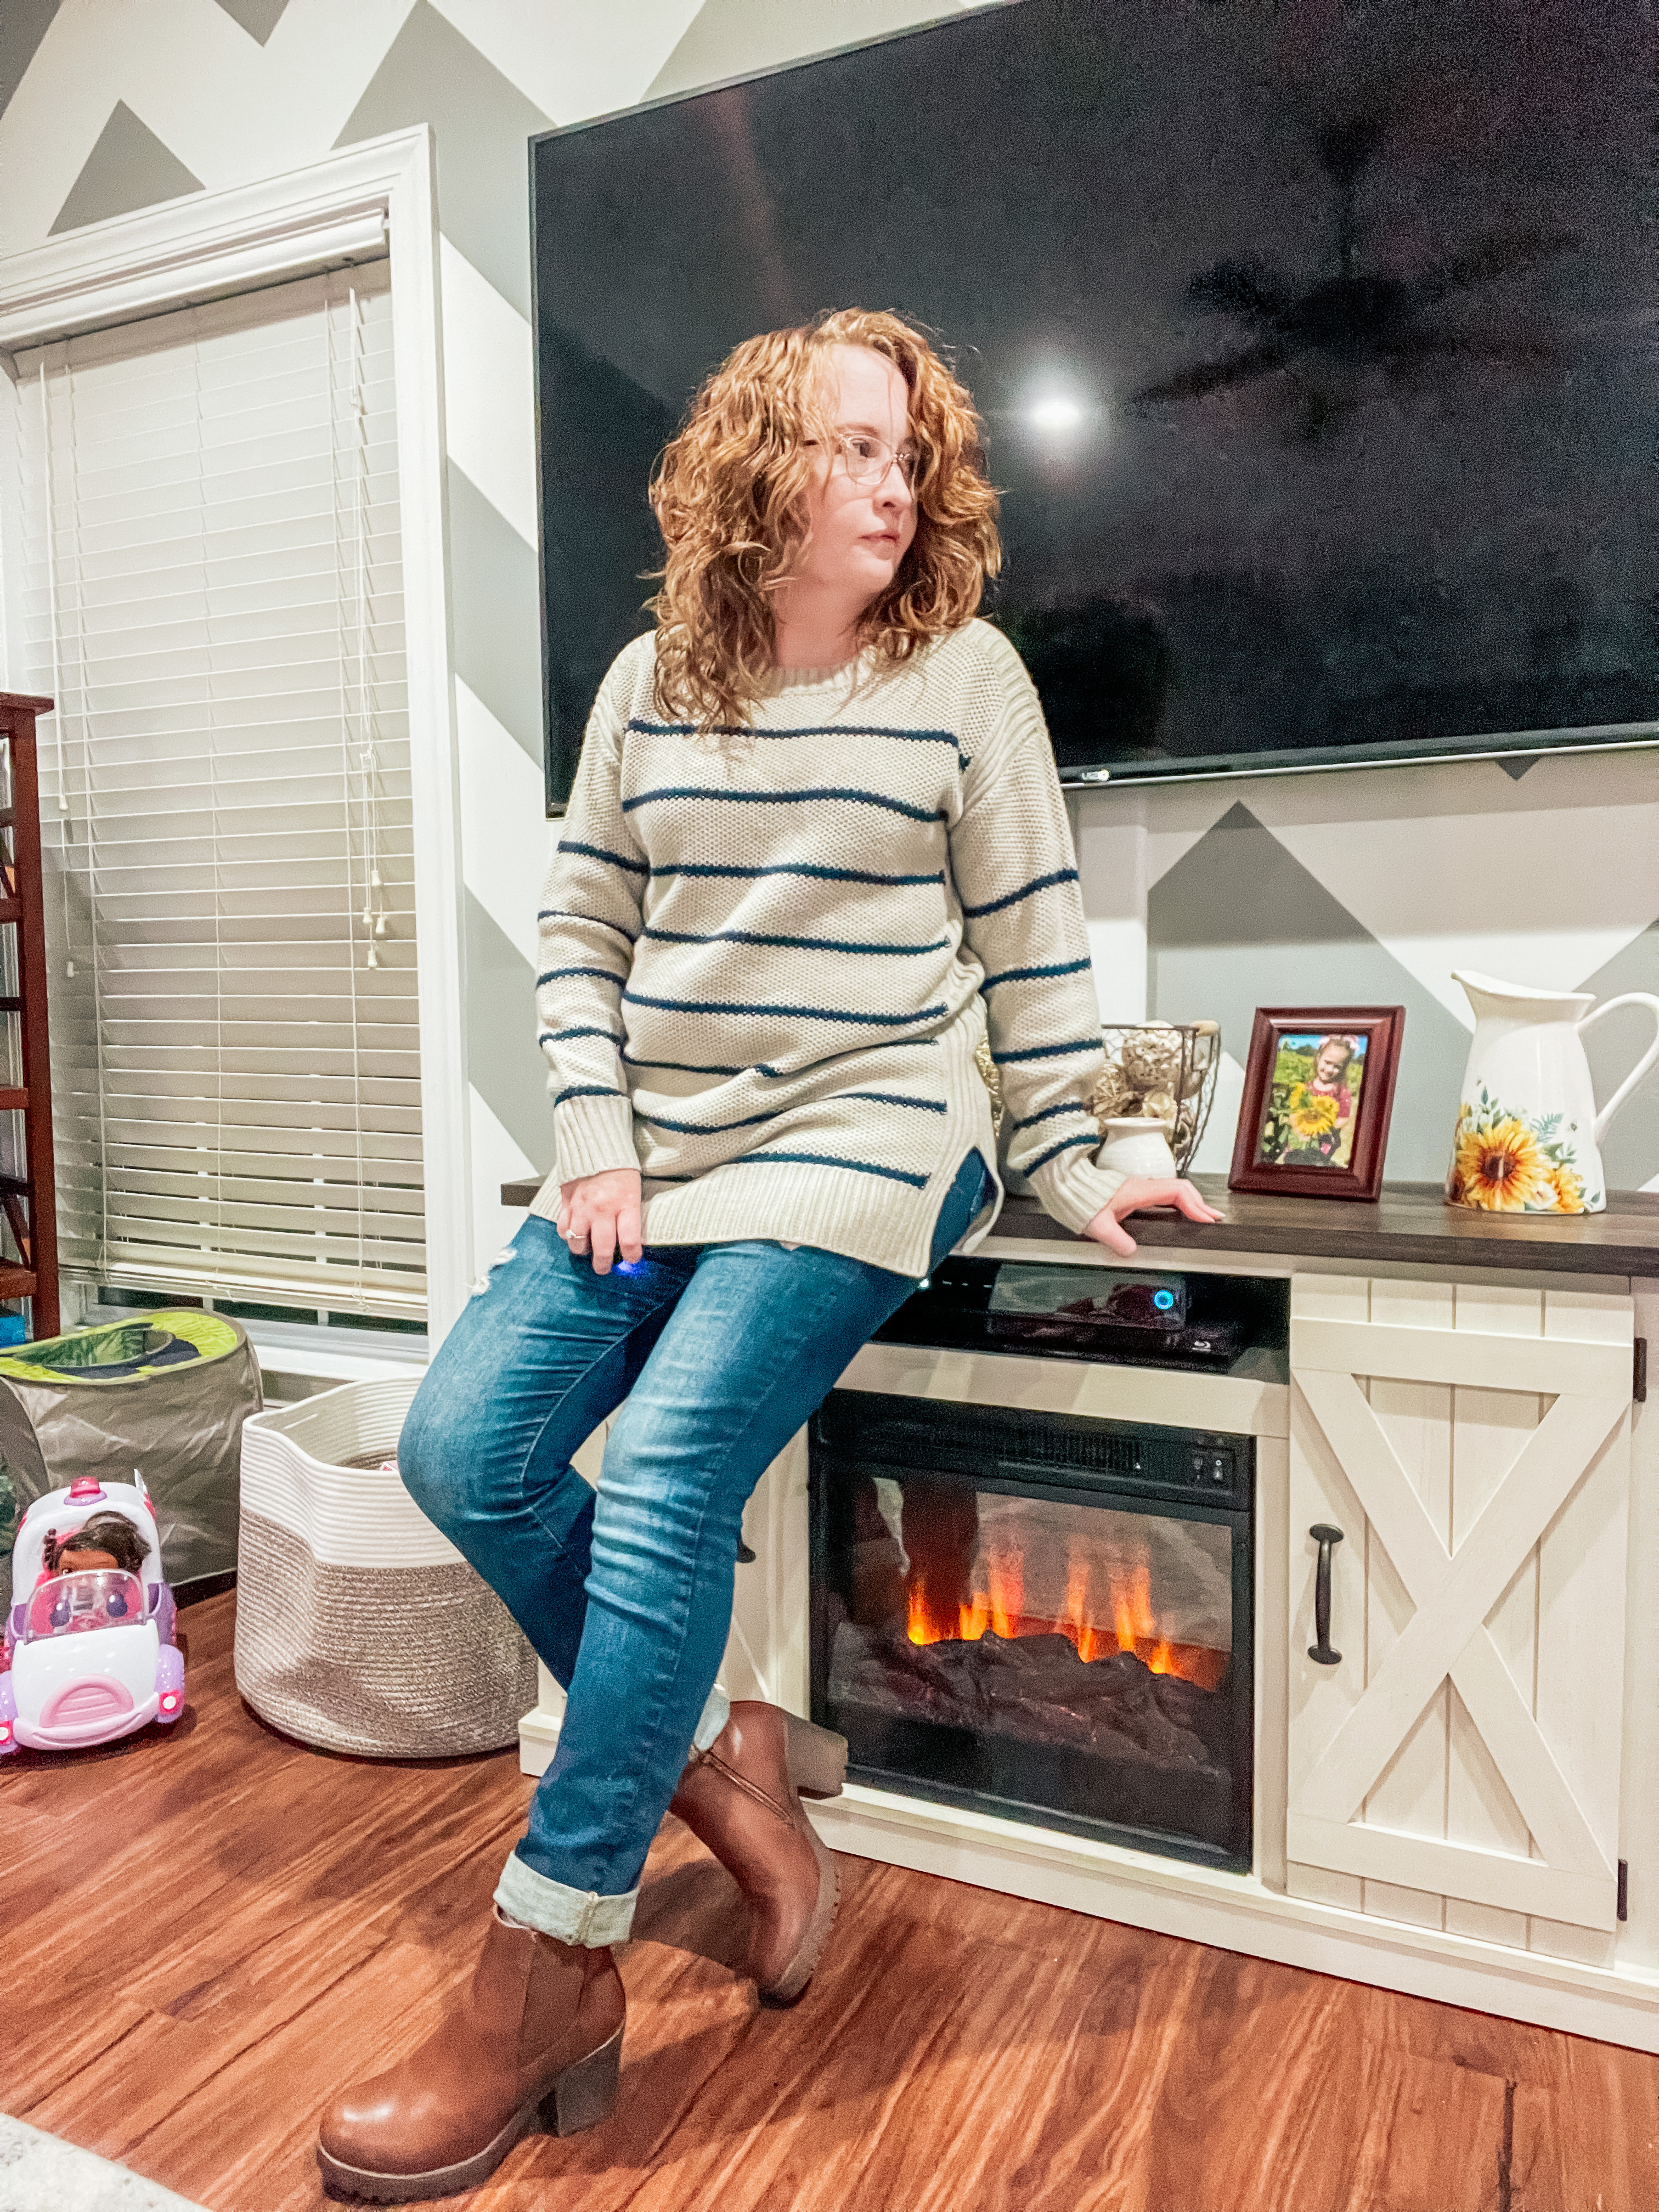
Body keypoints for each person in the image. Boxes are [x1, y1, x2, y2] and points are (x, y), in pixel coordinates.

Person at [316, 308, 1220, 2200]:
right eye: (850, 449)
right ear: (757, 469)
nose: (892, 485)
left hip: (881, 1132)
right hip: (669, 1147)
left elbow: (1032, 942)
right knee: (458, 1451)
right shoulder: (652, 680)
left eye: (911, 455)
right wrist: (595, 1138)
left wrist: (1072, 1153)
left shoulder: (966, 678)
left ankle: (547, 1964)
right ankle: (729, 1756)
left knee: (653, 1483)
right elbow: (580, 930)